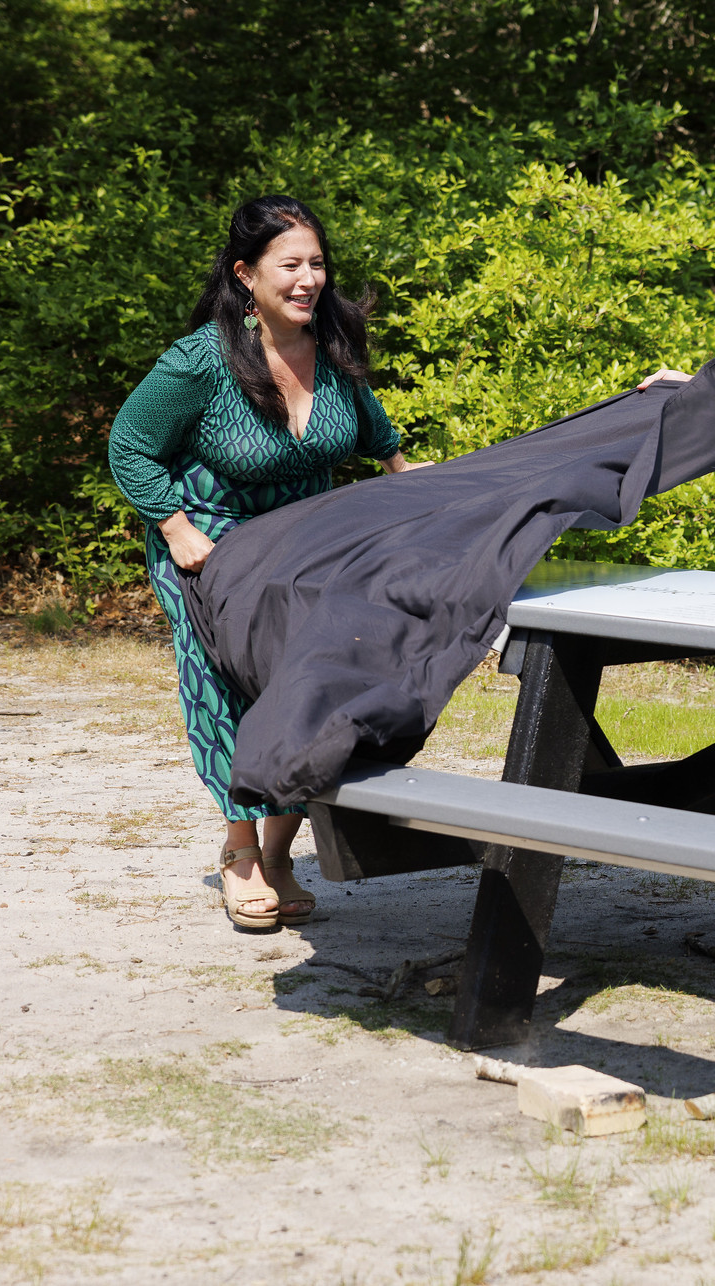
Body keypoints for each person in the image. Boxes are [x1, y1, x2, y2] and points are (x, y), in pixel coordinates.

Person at [109, 196, 423, 932]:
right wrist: (174, 526)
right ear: (246, 275)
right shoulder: (201, 362)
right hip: (210, 548)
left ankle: (282, 850)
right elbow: (130, 445)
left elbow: (376, 433)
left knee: (307, 684)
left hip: (306, 547)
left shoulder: (334, 345)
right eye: (291, 265)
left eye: (317, 263)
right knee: (226, 686)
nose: (309, 278)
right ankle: (241, 853)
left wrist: (423, 483)